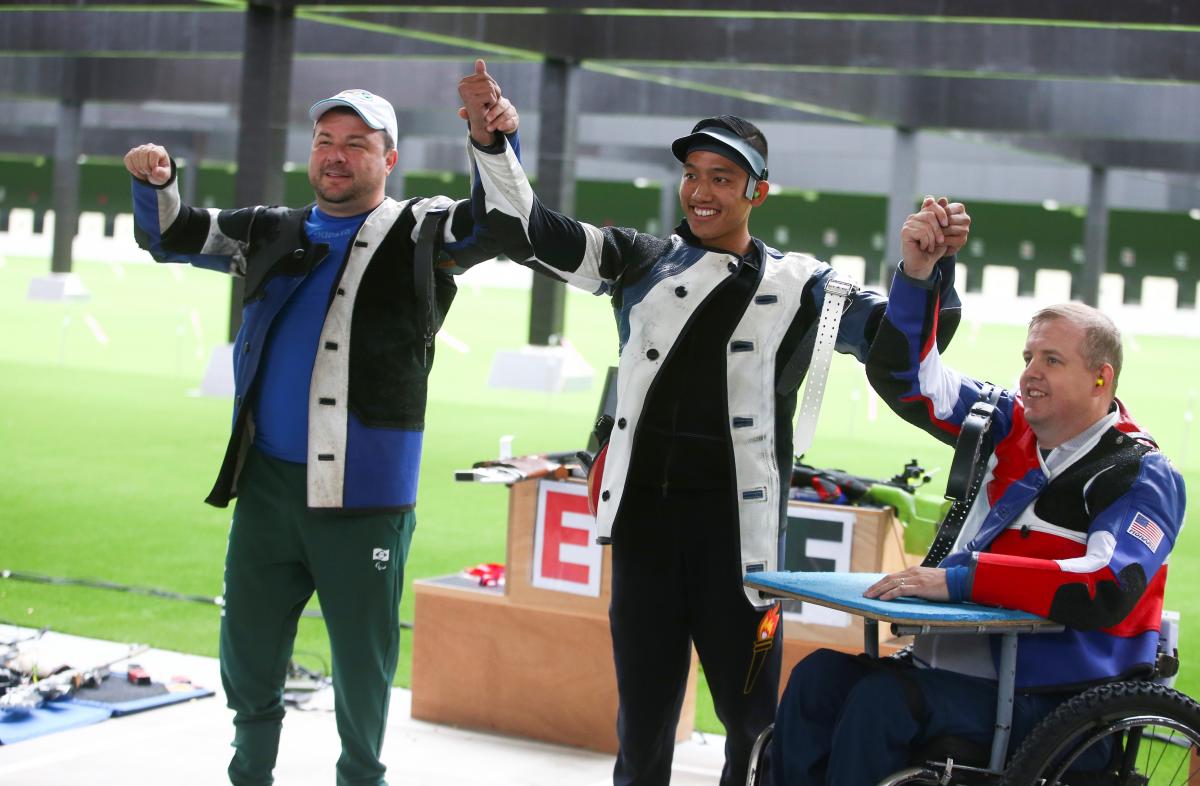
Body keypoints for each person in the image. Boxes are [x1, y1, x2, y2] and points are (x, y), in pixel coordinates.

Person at [458, 60, 967, 786]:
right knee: (641, 727)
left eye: (723, 178)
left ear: (758, 192)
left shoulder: (806, 286)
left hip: (742, 547)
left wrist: (923, 270)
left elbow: (905, 347)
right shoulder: (639, 260)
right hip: (644, 533)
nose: (701, 191)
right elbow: (526, 229)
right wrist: (492, 143)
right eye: (693, 174)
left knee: (753, 726)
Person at [124, 82, 518, 786]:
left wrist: (492, 143)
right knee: (246, 650)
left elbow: (498, 223)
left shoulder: (421, 230)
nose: (336, 157)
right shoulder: (272, 229)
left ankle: (362, 777)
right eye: (325, 143)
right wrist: (155, 180)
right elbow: (173, 234)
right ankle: (250, 773)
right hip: (268, 484)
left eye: (356, 144)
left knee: (362, 666)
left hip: (366, 490)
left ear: (389, 158)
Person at [768, 199, 1188, 785]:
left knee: (881, 702)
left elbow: (1106, 584)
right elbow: (907, 380)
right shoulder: (1006, 423)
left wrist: (959, 579)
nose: (1029, 373)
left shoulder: (1141, 473)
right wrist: (920, 275)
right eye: (1027, 357)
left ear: (1102, 378)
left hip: (1055, 700)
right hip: (955, 674)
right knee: (816, 677)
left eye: (1051, 360)